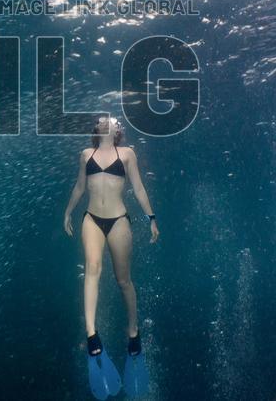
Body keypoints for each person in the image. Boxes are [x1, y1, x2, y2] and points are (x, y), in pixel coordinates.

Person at [63, 116, 159, 370]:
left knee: (123, 280)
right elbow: (79, 187)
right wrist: (68, 212)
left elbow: (138, 188)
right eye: (102, 119)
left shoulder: (127, 154)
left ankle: (133, 331)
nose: (107, 121)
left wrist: (151, 218)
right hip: (91, 219)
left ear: (118, 130)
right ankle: (92, 333)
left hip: (118, 220)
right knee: (92, 270)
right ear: (96, 128)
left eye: (112, 119)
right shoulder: (86, 154)